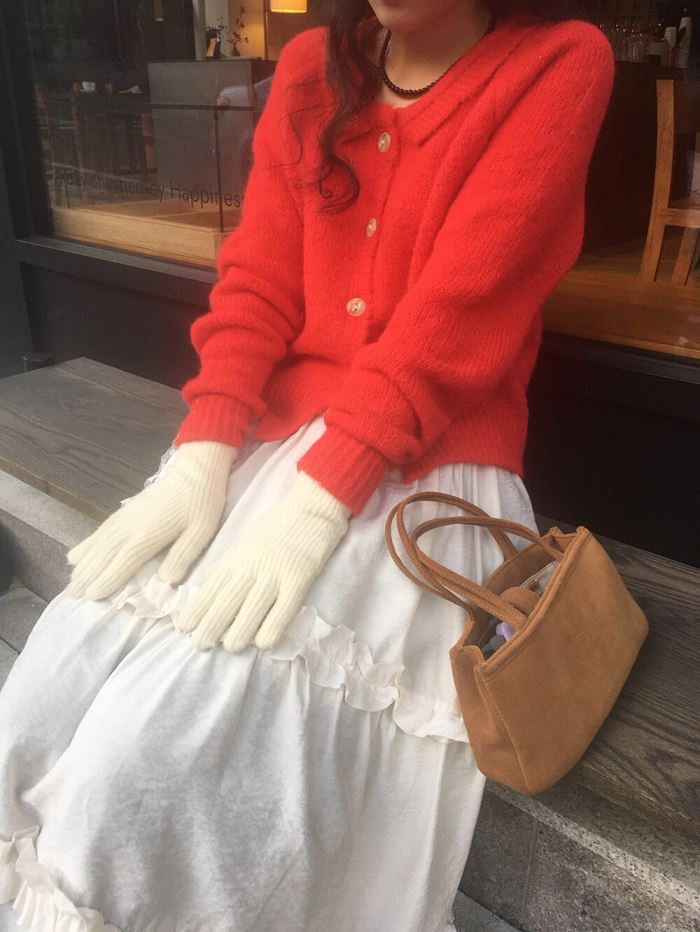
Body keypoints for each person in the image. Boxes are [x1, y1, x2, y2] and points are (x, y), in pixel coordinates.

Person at [0, 1, 615, 929]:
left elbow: (460, 313)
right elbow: (258, 280)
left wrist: (316, 507)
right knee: (37, 706)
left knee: (139, 778)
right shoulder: (313, 69)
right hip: (274, 451)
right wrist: (202, 452)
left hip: (427, 476)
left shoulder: (558, 64)